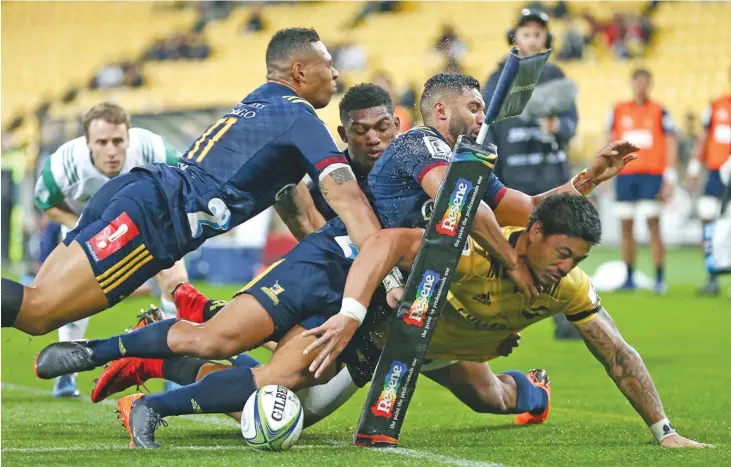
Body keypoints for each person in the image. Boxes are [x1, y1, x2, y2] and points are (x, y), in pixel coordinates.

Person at [35, 72, 639, 447]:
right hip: (338, 272)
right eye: (358, 132)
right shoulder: (422, 148)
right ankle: (105, 356)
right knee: (234, 350)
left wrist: (586, 178)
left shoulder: (468, 168)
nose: (372, 140)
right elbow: (459, 210)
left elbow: (522, 207)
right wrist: (511, 264)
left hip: (394, 303)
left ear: (395, 121)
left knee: (301, 392)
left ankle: (152, 392)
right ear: (435, 115)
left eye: (379, 128)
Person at [1, 27, 383, 336]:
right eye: (328, 65)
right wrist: (386, 275)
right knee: (39, 313)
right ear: (299, 72)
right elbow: (348, 199)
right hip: (153, 222)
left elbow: (306, 222)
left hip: (138, 194)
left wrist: (345, 276)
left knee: (37, 311)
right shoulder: (301, 118)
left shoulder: (264, 108)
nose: (336, 74)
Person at [312, 194, 712, 449]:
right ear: (534, 233)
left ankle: (535, 389)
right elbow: (388, 243)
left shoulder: (569, 286)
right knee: (305, 403)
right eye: (563, 252)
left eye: (578, 259)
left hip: (452, 351)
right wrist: (354, 311)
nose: (567, 266)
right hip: (391, 340)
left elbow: (617, 354)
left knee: (494, 401)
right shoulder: (473, 252)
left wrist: (664, 430)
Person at [32, 102, 186, 398]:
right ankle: (67, 377)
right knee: (70, 295)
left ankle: (173, 367)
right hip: (87, 227)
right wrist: (81, 225)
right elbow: (45, 201)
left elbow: (183, 185)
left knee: (176, 284)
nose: (111, 150)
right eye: (102, 142)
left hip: (146, 224)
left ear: (130, 138)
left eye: (118, 141)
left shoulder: (155, 150)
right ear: (87, 143)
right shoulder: (64, 165)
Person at [484, 8, 581, 339]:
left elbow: (571, 124)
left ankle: (565, 317)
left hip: (552, 177)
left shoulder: (556, 76)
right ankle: (499, 318)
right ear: (515, 37)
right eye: (525, 33)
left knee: (561, 248)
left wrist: (559, 127)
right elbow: (488, 130)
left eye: (537, 34)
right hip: (512, 182)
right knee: (507, 251)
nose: (531, 39)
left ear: (545, 39)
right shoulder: (497, 80)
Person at [608, 68, 678, 294]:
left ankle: (659, 278)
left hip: (651, 175)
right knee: (625, 225)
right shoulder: (618, 110)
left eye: (645, 83)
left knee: (653, 224)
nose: (641, 87)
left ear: (650, 85)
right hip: (625, 175)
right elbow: (609, 141)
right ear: (632, 84)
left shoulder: (659, 111)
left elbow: (671, 141)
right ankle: (629, 278)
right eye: (638, 82)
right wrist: (607, 172)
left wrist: (670, 175)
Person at [686, 67, 731, 296]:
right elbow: (704, 139)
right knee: (707, 218)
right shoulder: (716, 106)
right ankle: (712, 275)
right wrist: (694, 168)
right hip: (715, 174)